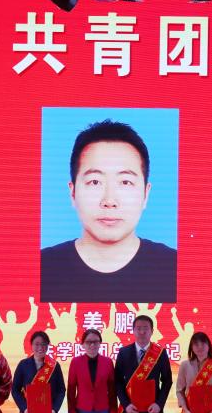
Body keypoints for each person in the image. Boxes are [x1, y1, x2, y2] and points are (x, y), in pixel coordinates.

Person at [41, 120, 176, 303]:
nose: (109, 201)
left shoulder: (174, 268)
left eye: (125, 182)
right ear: (72, 193)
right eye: (95, 182)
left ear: (146, 194)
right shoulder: (42, 267)